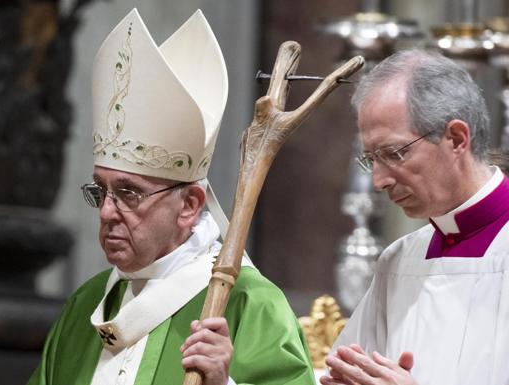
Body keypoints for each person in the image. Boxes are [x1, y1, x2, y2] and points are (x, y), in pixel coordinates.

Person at [27, 9, 315, 385]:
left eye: (129, 193)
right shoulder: (87, 303)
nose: (107, 212)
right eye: (102, 190)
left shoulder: (249, 302)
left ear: (190, 205)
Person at [320, 49, 509, 385]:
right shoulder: (399, 261)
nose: (379, 181)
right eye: (371, 159)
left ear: (456, 139)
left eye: (394, 153)